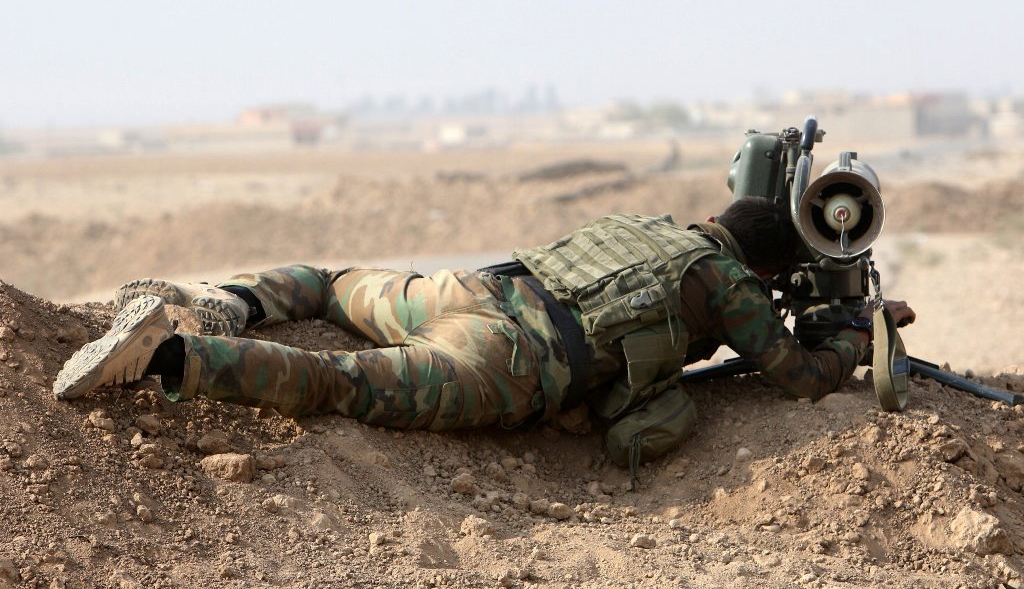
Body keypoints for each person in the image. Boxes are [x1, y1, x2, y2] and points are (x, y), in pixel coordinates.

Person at [53, 197, 915, 472]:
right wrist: (856, 334)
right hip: (506, 361)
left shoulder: (649, 225)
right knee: (342, 383)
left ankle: (228, 301)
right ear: (764, 265)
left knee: (330, 282)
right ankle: (170, 353)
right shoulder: (726, 283)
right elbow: (801, 378)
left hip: (473, 289)